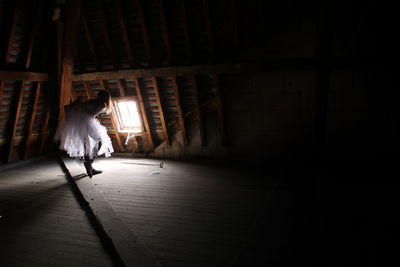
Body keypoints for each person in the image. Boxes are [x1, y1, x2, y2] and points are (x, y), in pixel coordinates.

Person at [54, 90, 114, 177]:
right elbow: (90, 113)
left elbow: (83, 108)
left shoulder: (92, 101)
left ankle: (90, 166)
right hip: (86, 123)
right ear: (107, 98)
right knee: (100, 141)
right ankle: (89, 164)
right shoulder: (101, 105)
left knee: (87, 145)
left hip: (81, 123)